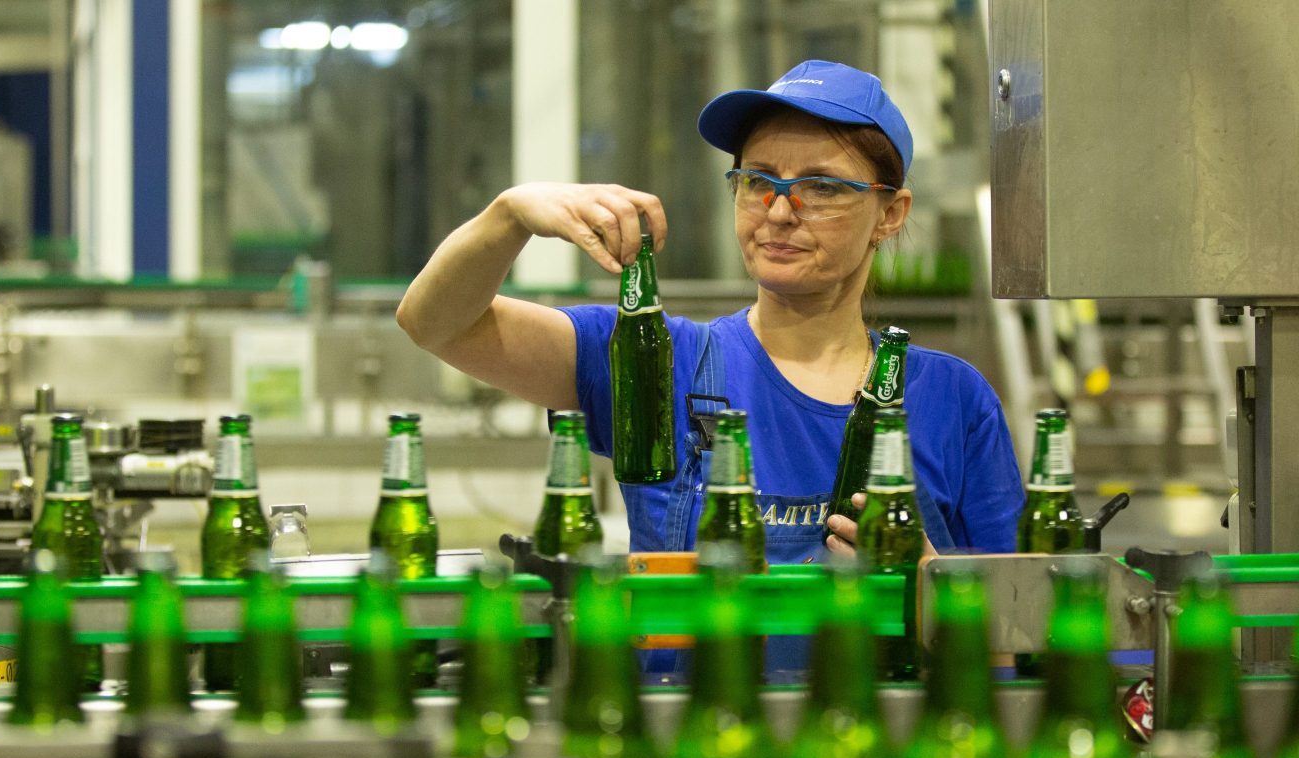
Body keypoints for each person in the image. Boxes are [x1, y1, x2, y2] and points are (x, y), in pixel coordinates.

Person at [397, 59, 1024, 669]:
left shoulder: (951, 398)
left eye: (823, 187)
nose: (780, 212)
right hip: (686, 749)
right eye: (759, 181)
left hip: (883, 754)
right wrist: (509, 216)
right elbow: (433, 322)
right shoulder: (656, 363)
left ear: (890, 213)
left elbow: (1025, 640)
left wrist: (932, 583)